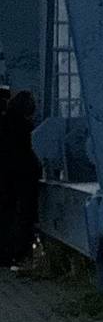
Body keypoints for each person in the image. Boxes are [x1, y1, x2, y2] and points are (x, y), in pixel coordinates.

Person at [2, 89, 39, 272]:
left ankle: (4, 254)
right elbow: (31, 153)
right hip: (23, 176)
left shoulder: (3, 122)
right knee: (24, 214)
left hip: (4, 174)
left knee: (5, 212)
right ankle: (19, 254)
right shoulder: (27, 127)